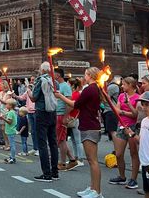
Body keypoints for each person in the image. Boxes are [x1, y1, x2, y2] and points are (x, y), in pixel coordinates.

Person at [56, 67, 103, 198]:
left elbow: (75, 104)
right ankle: (93, 187)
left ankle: (97, 191)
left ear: (90, 75)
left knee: (93, 160)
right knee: (90, 160)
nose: (84, 77)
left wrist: (60, 96)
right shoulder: (94, 88)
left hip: (90, 126)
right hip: (88, 124)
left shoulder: (90, 89)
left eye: (86, 74)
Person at [108, 77, 140, 189]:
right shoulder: (121, 96)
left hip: (132, 127)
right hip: (121, 126)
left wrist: (123, 110)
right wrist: (122, 112)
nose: (122, 86)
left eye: (124, 84)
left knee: (133, 154)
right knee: (118, 154)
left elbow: (135, 115)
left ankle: (133, 179)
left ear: (130, 85)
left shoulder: (137, 98)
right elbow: (116, 110)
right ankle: (122, 177)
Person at [31, 62, 59, 182]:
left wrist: (29, 90)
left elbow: (34, 97)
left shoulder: (40, 81)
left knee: (42, 143)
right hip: (53, 112)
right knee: (53, 143)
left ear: (42, 70)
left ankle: (46, 174)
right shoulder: (55, 82)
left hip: (42, 112)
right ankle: (55, 172)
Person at [54, 68, 78, 171]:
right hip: (57, 113)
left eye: (53, 74)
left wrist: (65, 116)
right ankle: (72, 160)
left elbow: (70, 103)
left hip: (61, 114)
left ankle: (62, 163)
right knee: (60, 139)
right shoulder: (58, 86)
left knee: (61, 140)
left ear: (58, 75)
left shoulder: (65, 87)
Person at [13, 81, 38, 156]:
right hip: (29, 112)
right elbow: (21, 98)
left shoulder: (36, 90)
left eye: (34, 80)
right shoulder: (27, 91)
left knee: (37, 131)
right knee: (33, 131)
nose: (32, 81)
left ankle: (38, 148)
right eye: (31, 80)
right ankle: (35, 148)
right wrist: (15, 96)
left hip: (36, 111)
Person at [103, 75, 121, 141]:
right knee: (112, 131)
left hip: (111, 110)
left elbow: (106, 99)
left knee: (113, 131)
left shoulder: (113, 86)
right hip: (112, 110)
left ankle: (117, 149)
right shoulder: (114, 86)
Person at [0, 98, 18, 164]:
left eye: (7, 104)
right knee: (11, 144)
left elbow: (9, 122)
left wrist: (3, 118)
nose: (5, 105)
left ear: (10, 105)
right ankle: (11, 156)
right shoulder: (11, 112)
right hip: (10, 130)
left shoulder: (11, 112)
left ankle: (13, 158)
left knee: (12, 145)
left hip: (11, 130)